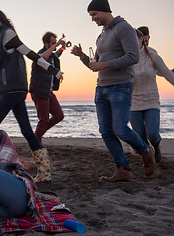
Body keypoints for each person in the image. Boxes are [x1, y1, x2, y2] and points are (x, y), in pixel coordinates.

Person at [0, 9, 63, 183]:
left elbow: (29, 53)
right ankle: (45, 172)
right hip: (13, 90)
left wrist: (53, 70)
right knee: (26, 131)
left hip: (13, 89)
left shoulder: (8, 34)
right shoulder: (0, 44)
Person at [70, 0, 156, 182]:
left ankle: (145, 151)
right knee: (106, 132)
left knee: (120, 129)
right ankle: (123, 169)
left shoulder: (124, 28)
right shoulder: (102, 35)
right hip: (101, 88)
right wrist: (82, 56)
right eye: (90, 16)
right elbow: (95, 65)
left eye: (94, 14)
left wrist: (105, 64)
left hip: (120, 86)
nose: (92, 19)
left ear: (105, 11)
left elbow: (133, 57)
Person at [130, 29, 174, 163]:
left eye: (133, 39)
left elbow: (167, 74)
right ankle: (148, 160)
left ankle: (156, 146)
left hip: (151, 101)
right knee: (140, 137)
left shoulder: (153, 56)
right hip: (133, 103)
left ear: (141, 39)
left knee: (152, 134)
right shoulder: (126, 58)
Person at [29, 32, 66, 142]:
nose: (56, 45)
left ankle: (37, 136)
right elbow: (42, 58)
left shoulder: (51, 56)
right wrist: (58, 44)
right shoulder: (40, 55)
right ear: (46, 44)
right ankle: (36, 142)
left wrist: (63, 47)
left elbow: (57, 54)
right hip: (39, 91)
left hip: (48, 91)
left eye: (56, 42)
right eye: (53, 43)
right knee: (44, 120)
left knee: (59, 115)